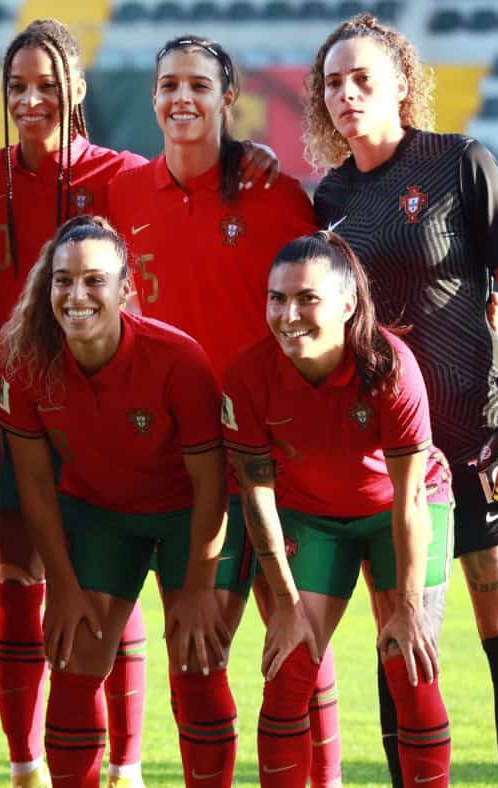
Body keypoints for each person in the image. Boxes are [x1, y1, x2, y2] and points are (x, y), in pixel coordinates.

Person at [0, 22, 281, 787]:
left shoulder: (121, 176)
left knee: (174, 635)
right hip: (36, 411)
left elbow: (191, 182)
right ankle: (28, 764)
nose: (31, 100)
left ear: (78, 90)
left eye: (47, 84)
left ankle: (128, 764)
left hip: (149, 423)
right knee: (37, 598)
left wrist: (245, 155)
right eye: (17, 86)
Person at [306, 14, 498, 787]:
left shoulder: (460, 163)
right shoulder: (330, 197)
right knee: (402, 638)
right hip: (392, 453)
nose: (346, 94)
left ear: (400, 85)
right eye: (333, 83)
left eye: (362, 79)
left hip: (481, 434)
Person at [105, 35, 344, 788]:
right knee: (195, 650)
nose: (182, 98)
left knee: (297, 639)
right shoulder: (123, 194)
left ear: (227, 98)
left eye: (199, 85)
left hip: (273, 459)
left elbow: (326, 313)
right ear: (153, 98)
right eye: (169, 85)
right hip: (177, 462)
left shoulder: (276, 195)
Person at [0, 215, 234, 788]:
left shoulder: (178, 358)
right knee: (73, 665)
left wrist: (198, 589)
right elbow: (35, 485)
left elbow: (211, 483)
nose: (76, 295)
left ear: (126, 289)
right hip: (100, 516)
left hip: (186, 518)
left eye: (94, 281)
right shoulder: (26, 361)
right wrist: (63, 585)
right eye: (63, 281)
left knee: (197, 664)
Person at [224, 231, 453, 788]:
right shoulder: (249, 374)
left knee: (410, 665)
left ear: (348, 305)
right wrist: (285, 603)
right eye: (277, 299)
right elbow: (256, 496)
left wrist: (407, 607)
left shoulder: (391, 366)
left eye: (307, 298)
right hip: (312, 516)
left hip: (401, 510)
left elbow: (410, 498)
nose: (288, 315)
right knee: (287, 671)